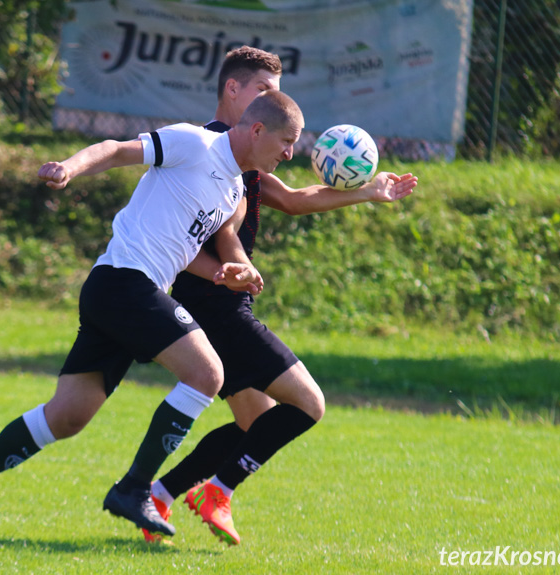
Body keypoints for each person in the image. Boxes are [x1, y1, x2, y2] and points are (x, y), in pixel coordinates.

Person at [0, 89, 307, 539]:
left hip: (127, 292)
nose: (291, 152)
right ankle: (135, 488)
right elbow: (114, 150)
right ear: (258, 129)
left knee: (68, 416)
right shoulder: (194, 143)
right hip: (124, 281)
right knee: (207, 374)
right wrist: (69, 167)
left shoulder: (235, 187)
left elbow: (180, 250)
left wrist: (226, 273)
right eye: (287, 140)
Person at [138, 46, 419, 546]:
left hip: (220, 301)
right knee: (308, 404)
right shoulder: (209, 147)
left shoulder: (244, 149)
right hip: (214, 305)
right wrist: (232, 268)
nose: (275, 100)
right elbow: (248, 218)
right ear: (234, 90)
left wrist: (370, 192)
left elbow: (289, 198)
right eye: (265, 91)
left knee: (257, 424)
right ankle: (215, 492)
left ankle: (159, 493)